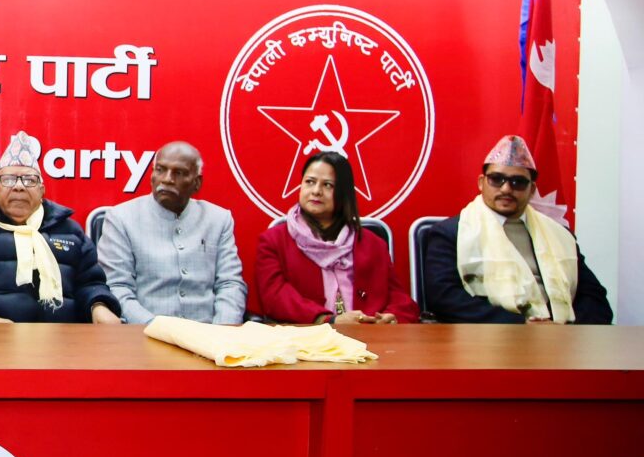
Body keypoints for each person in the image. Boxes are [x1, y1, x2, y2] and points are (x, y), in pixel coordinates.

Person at [0, 132, 121, 323]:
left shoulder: (70, 232)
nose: (19, 187)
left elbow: (90, 283)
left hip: (63, 339)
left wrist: (98, 306)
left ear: (42, 190)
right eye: (8, 180)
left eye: (29, 180)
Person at [421, 135, 611, 324]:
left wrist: (567, 330)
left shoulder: (559, 235)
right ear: (481, 182)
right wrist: (521, 325)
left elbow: (595, 298)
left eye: (518, 182)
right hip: (494, 335)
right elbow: (444, 298)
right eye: (496, 179)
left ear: (532, 189)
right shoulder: (451, 234)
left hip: (562, 334)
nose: (506, 189)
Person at [254, 150, 418, 324]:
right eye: (310, 182)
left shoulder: (373, 244)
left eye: (327, 185)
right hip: (306, 336)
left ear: (343, 193)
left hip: (368, 335)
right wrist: (328, 320)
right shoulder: (274, 241)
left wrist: (391, 317)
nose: (316, 191)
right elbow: (274, 297)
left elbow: (400, 300)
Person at [96, 141, 246, 325]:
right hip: (145, 332)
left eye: (179, 173)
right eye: (160, 170)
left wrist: (222, 330)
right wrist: (158, 329)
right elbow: (117, 287)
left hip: (208, 332)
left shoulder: (218, 219)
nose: (167, 179)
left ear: (197, 183)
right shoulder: (122, 218)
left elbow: (230, 284)